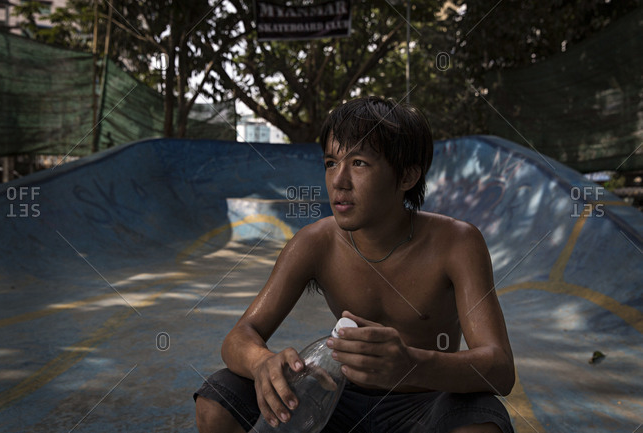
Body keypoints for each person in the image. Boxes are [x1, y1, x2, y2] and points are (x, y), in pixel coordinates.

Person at [194, 96, 515, 433]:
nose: (339, 181)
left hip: (426, 403)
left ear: (407, 175)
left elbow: (500, 368)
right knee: (218, 399)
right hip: (335, 399)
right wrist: (263, 364)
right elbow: (239, 337)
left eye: (359, 163)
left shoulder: (457, 243)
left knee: (481, 423)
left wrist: (412, 364)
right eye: (331, 162)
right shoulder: (314, 242)